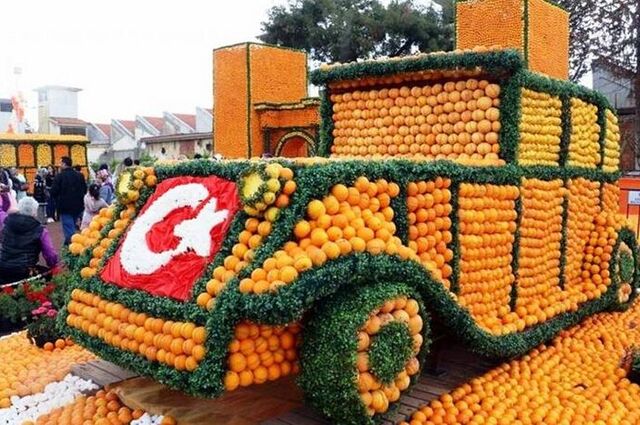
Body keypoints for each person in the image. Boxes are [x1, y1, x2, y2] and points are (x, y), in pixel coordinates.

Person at [0, 197, 59, 284]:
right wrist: (53, 265)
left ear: (19, 209)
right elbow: (50, 254)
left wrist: (4, 197)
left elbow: (1, 212)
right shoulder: (40, 230)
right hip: (25, 271)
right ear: (34, 212)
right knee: (48, 276)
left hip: (3, 268)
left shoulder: (6, 221)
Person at [50, 156, 87, 245]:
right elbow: (85, 189)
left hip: (64, 207)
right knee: (71, 226)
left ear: (64, 164)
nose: (59, 165)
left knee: (69, 229)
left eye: (60, 163)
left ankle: (73, 247)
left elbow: (53, 191)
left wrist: (57, 200)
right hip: (78, 206)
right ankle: (70, 245)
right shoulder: (79, 175)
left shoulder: (59, 176)